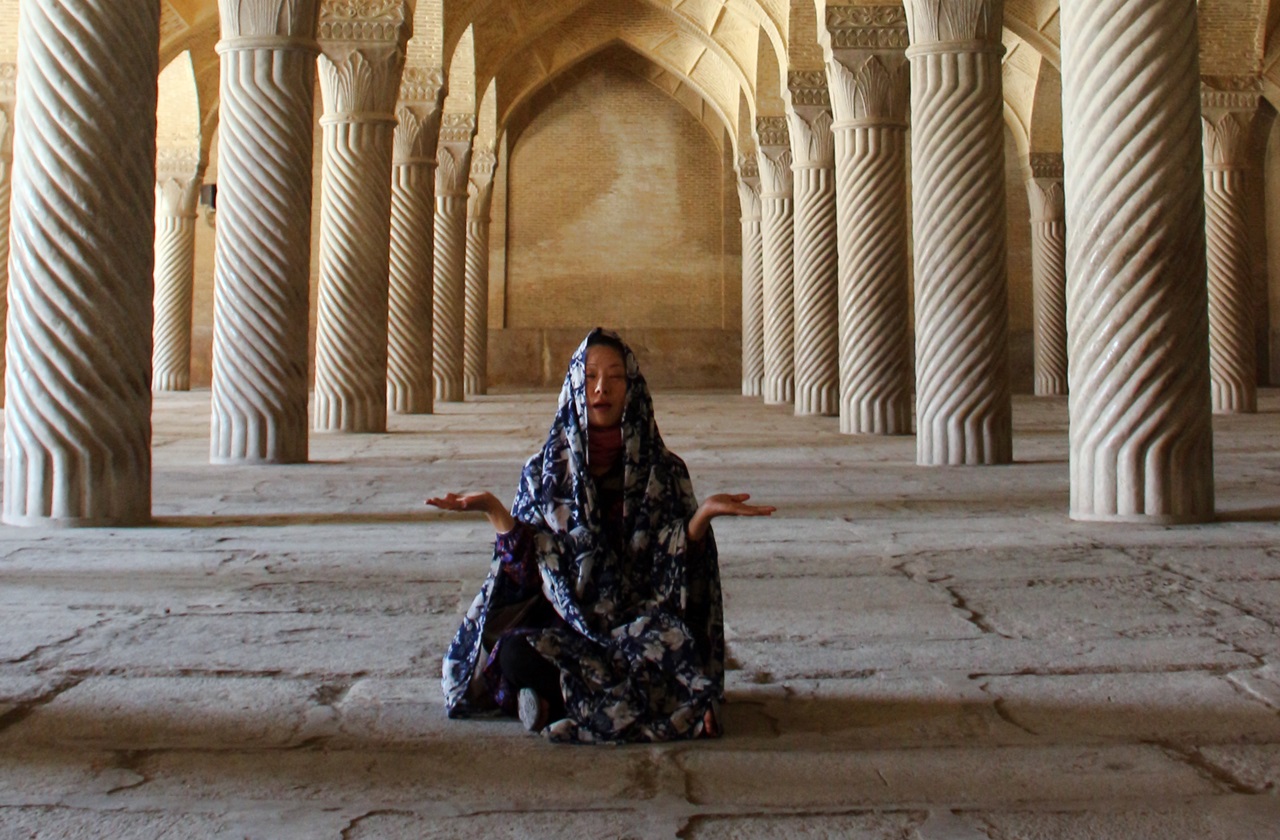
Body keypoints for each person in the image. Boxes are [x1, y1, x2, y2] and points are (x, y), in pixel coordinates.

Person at [429, 328, 774, 743]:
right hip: (568, 627)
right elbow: (523, 576)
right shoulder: (544, 473)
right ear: (576, 381)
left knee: (670, 644)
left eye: (614, 377)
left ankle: (556, 704)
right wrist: (496, 512)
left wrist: (699, 521)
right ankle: (595, 700)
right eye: (591, 375)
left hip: (637, 625)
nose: (601, 388)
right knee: (516, 653)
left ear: (631, 387)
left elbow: (678, 574)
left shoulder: (663, 472)